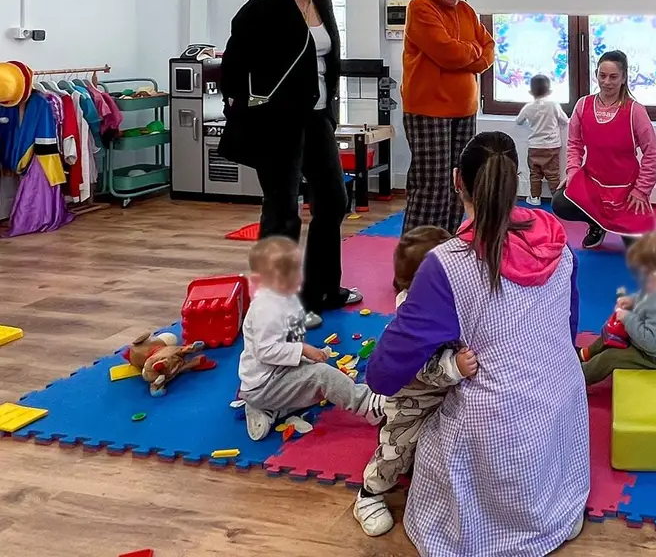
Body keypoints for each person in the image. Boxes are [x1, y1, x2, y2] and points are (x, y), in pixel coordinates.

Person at [366, 131, 589, 556]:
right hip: (561, 411)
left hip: (499, 430)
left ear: (456, 181)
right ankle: (556, 511)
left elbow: (382, 374)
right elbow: (569, 327)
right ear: (516, 178)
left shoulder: (448, 264)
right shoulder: (558, 241)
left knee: (419, 419)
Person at [219, 0, 360, 328]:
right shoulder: (260, 11)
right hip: (276, 125)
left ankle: (322, 290)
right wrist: (252, 107)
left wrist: (331, 110)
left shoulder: (323, 3)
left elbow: (329, 60)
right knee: (283, 212)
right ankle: (275, 307)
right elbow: (233, 71)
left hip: (317, 118)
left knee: (333, 200)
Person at [354, 225, 479, 537]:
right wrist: (456, 366)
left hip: (445, 395)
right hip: (414, 399)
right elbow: (421, 367)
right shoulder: (414, 314)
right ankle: (369, 494)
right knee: (398, 449)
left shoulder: (448, 298)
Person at [237, 236, 385, 441]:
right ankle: (368, 404)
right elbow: (266, 351)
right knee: (322, 376)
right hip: (265, 386)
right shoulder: (266, 309)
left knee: (321, 382)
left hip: (277, 375)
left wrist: (304, 353)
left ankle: (275, 409)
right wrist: (303, 349)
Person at [400, 0, 495, 237]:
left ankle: (449, 249)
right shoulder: (420, 7)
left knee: (460, 182)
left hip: (464, 109)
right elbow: (447, 52)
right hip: (428, 109)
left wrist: (470, 54)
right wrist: (472, 53)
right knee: (432, 185)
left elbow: (489, 53)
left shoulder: (467, 11)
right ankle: (415, 260)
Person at [552, 50, 656, 249]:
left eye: (613, 77)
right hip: (593, 183)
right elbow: (574, 144)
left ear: (624, 77)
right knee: (560, 202)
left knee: (639, 250)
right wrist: (573, 173)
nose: (607, 82)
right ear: (596, 74)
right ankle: (596, 224)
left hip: (626, 190)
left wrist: (641, 190)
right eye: (602, 76)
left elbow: (651, 152)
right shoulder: (583, 105)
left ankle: (620, 225)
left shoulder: (635, 111)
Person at [579, 232, 656, 385]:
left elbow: (651, 343)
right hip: (648, 339)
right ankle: (584, 355)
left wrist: (627, 318)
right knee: (610, 333)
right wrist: (631, 301)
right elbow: (646, 298)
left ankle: (576, 382)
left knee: (610, 357)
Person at [516, 74, 569, 206]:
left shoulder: (528, 107)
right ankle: (556, 199)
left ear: (530, 92)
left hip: (534, 147)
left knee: (534, 174)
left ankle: (534, 198)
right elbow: (564, 120)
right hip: (552, 146)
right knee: (553, 175)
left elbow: (519, 121)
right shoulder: (554, 105)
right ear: (550, 91)